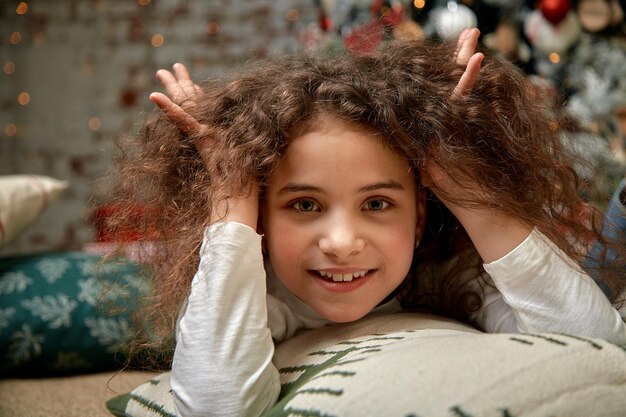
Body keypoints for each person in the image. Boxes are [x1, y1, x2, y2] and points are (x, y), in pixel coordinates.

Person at [107, 29, 626, 417]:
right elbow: (215, 406)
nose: (340, 243)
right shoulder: (255, 293)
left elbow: (597, 348)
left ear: (419, 215)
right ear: (261, 219)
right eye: (305, 205)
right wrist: (232, 196)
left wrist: (466, 186)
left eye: (377, 204)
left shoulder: (454, 272)